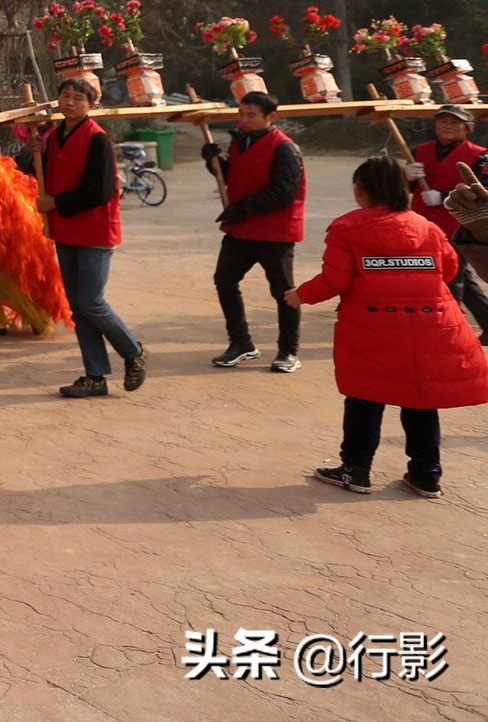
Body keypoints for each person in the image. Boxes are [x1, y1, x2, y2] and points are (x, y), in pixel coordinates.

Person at [285, 156, 488, 498]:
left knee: (365, 399)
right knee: (422, 401)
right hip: (432, 325)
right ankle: (425, 475)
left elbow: (336, 279)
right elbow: (450, 270)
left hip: (371, 330)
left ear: (359, 191)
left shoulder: (348, 227)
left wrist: (300, 296)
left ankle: (355, 470)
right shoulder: (427, 227)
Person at [38, 76, 146, 398]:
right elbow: (44, 172)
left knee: (91, 302)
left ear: (91, 105)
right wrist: (34, 153)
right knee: (78, 307)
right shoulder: (54, 136)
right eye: (65, 95)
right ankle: (95, 375)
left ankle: (133, 351)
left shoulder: (97, 139)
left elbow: (99, 191)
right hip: (66, 230)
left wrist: (55, 203)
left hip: (95, 231)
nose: (69, 102)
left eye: (77, 98)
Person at [199, 91, 306, 371]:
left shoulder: (285, 148)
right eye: (241, 114)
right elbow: (232, 176)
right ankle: (241, 343)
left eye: (251, 115)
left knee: (284, 293)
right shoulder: (240, 141)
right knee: (224, 280)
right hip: (241, 229)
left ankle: (288, 352)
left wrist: (243, 206)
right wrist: (213, 162)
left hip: (275, 233)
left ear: (271, 117)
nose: (244, 120)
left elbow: (284, 193)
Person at [407, 105, 488, 341]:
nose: (448, 126)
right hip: (422, 226)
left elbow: (483, 191)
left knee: (452, 279)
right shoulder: (419, 151)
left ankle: (452, 330)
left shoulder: (480, 155)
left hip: (459, 228)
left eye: (455, 122)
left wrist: (442, 197)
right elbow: (403, 189)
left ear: (468, 128)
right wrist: (406, 176)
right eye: (442, 121)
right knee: (460, 278)